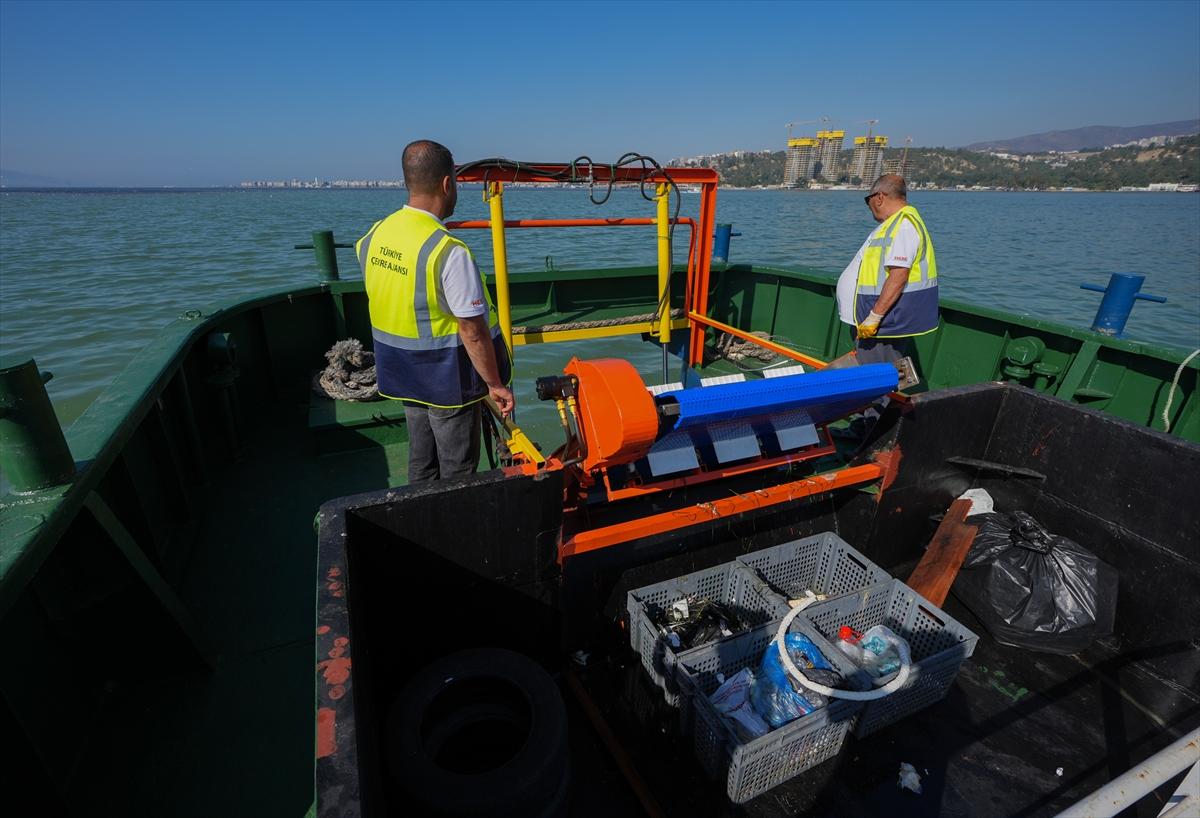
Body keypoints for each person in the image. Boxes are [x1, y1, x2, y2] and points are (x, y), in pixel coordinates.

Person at [355, 140, 514, 483]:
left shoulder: (374, 235)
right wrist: (494, 384)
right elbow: (472, 331)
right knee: (458, 472)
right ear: (446, 184)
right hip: (446, 383)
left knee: (422, 463)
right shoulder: (448, 251)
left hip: (401, 374)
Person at [834, 174, 939, 436]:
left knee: (876, 380)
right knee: (883, 374)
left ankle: (874, 438)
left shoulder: (903, 225)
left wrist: (874, 316)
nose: (869, 206)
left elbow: (899, 274)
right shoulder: (895, 225)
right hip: (880, 320)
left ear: (879, 197)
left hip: (884, 323)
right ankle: (870, 428)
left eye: (868, 200)